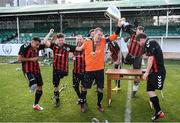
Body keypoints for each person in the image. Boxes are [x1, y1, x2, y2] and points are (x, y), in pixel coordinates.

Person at [76, 20, 123, 112]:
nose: (100, 37)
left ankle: (99, 104)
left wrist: (119, 26)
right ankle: (82, 104)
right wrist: (65, 47)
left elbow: (114, 36)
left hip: (100, 70)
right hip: (89, 70)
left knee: (100, 88)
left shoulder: (103, 41)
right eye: (98, 35)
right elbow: (78, 49)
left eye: (101, 35)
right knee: (84, 88)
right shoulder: (87, 42)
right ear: (93, 35)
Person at [136, 33, 166, 121]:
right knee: (149, 90)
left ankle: (158, 111)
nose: (139, 44)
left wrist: (146, 72)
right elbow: (151, 58)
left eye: (138, 42)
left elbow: (151, 58)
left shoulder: (150, 42)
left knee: (155, 89)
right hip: (153, 72)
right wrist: (148, 70)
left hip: (158, 72)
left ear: (141, 39)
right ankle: (159, 112)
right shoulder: (148, 44)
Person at [44, 30, 76, 107]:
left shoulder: (67, 47)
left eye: (62, 40)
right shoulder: (54, 46)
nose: (61, 41)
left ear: (64, 40)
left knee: (59, 81)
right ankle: (57, 100)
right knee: (55, 86)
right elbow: (45, 41)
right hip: (56, 69)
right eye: (59, 40)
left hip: (64, 70)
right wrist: (50, 33)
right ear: (57, 40)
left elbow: (78, 48)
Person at [17, 37, 47, 111]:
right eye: (36, 45)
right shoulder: (25, 47)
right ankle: (31, 84)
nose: (37, 47)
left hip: (37, 69)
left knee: (40, 88)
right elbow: (19, 59)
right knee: (34, 85)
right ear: (32, 42)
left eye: (38, 45)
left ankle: (35, 105)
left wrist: (52, 38)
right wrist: (31, 59)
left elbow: (45, 43)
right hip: (28, 69)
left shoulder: (37, 45)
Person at [122, 22, 145, 97]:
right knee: (124, 62)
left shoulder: (144, 38)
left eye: (141, 33)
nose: (139, 34)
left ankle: (135, 89)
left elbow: (146, 48)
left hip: (138, 57)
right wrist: (126, 23)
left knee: (136, 74)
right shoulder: (132, 33)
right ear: (136, 31)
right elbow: (125, 28)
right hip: (130, 55)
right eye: (138, 32)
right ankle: (119, 75)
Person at [72, 35, 85, 104]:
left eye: (80, 39)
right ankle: (81, 98)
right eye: (78, 39)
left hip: (84, 71)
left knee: (83, 87)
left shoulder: (85, 48)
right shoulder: (74, 48)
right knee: (75, 86)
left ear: (83, 40)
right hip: (75, 71)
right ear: (76, 41)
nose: (79, 41)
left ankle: (83, 100)